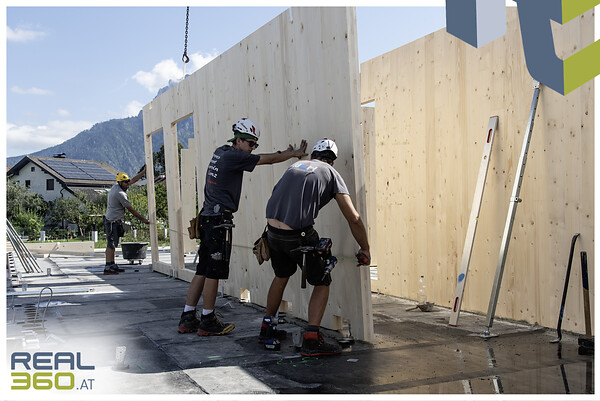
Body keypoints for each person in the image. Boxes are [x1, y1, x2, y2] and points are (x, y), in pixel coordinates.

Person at [178, 118, 308, 336]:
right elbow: (266, 160)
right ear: (238, 140)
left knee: (202, 269)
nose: (252, 149)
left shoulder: (221, 151)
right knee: (213, 272)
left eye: (255, 145)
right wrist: (292, 154)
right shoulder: (234, 157)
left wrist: (282, 152)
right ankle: (208, 319)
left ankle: (188, 316)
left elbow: (264, 156)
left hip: (209, 218)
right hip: (219, 221)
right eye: (250, 144)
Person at [259, 138, 370, 356]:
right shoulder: (331, 173)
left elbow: (275, 193)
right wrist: (365, 247)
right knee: (322, 280)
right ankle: (312, 339)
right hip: (297, 234)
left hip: (272, 231)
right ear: (332, 161)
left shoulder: (293, 167)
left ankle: (267, 327)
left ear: (312, 156)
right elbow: (354, 218)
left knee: (281, 276)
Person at [104, 166, 149, 275]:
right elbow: (131, 210)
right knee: (111, 245)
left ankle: (112, 264)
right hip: (111, 222)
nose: (128, 184)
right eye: (125, 183)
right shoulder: (120, 194)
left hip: (115, 221)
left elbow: (133, 180)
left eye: (128, 182)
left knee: (114, 243)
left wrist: (143, 172)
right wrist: (144, 220)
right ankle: (108, 267)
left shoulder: (118, 186)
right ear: (120, 183)